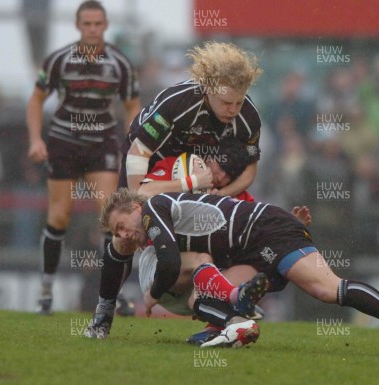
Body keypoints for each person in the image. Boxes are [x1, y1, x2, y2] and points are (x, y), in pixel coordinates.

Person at [99, 189, 379, 355]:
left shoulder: (155, 207)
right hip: (251, 247)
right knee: (201, 291)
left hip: (268, 231)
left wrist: (149, 298)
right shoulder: (157, 227)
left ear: (135, 207)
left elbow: (171, 263)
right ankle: (236, 320)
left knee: (327, 290)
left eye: (120, 225)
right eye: (116, 234)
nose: (123, 235)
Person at [92, 41, 263, 327]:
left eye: (239, 101)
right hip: (147, 163)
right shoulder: (179, 102)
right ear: (209, 90)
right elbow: (138, 153)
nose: (233, 109)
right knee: (124, 237)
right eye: (226, 102)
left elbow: (249, 169)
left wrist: (221, 195)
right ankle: (104, 312)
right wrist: (139, 200)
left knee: (210, 236)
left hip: (197, 174)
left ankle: (214, 309)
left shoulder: (248, 118)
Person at [26, 0, 141, 314]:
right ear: (78, 26)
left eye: (97, 24)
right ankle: (46, 291)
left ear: (105, 26)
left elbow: (132, 105)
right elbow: (36, 100)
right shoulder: (59, 60)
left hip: (101, 143)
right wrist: (36, 140)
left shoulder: (120, 63)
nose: (92, 29)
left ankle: (110, 295)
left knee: (110, 217)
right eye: (87, 24)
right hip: (64, 141)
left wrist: (133, 141)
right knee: (59, 216)